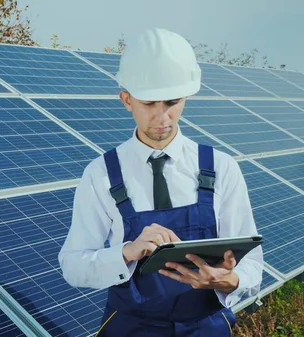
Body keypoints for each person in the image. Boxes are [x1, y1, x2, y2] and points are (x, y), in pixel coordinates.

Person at [58, 28, 264, 337]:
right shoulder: (100, 174)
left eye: (172, 101)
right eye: (149, 103)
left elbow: (252, 265)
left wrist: (229, 281)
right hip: (130, 327)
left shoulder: (221, 167)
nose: (162, 117)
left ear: (186, 97)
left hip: (206, 326)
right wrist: (126, 251)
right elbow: (73, 265)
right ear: (127, 100)